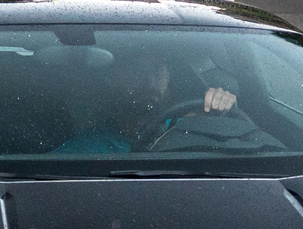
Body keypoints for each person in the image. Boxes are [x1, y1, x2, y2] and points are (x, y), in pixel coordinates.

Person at [52, 50, 238, 155]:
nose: (150, 82)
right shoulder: (82, 151)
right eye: (137, 71)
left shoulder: (194, 128)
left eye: (157, 70)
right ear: (112, 79)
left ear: (168, 76)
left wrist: (224, 116)